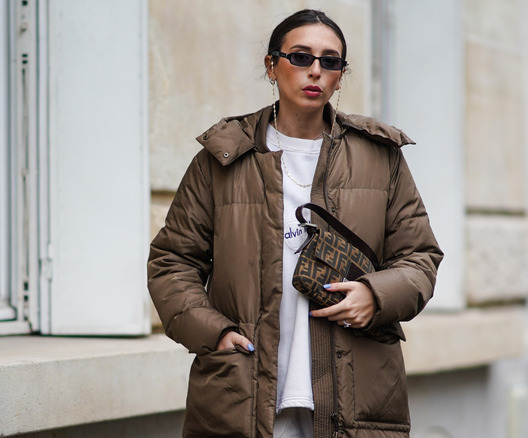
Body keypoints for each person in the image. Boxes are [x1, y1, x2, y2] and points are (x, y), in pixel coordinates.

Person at [148, 9, 443, 438]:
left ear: (341, 76)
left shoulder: (380, 158)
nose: (316, 71)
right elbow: (172, 262)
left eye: (331, 61)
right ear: (272, 66)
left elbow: (420, 257)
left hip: (356, 393)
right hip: (243, 391)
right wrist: (215, 334)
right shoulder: (224, 158)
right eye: (301, 57)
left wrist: (375, 295)